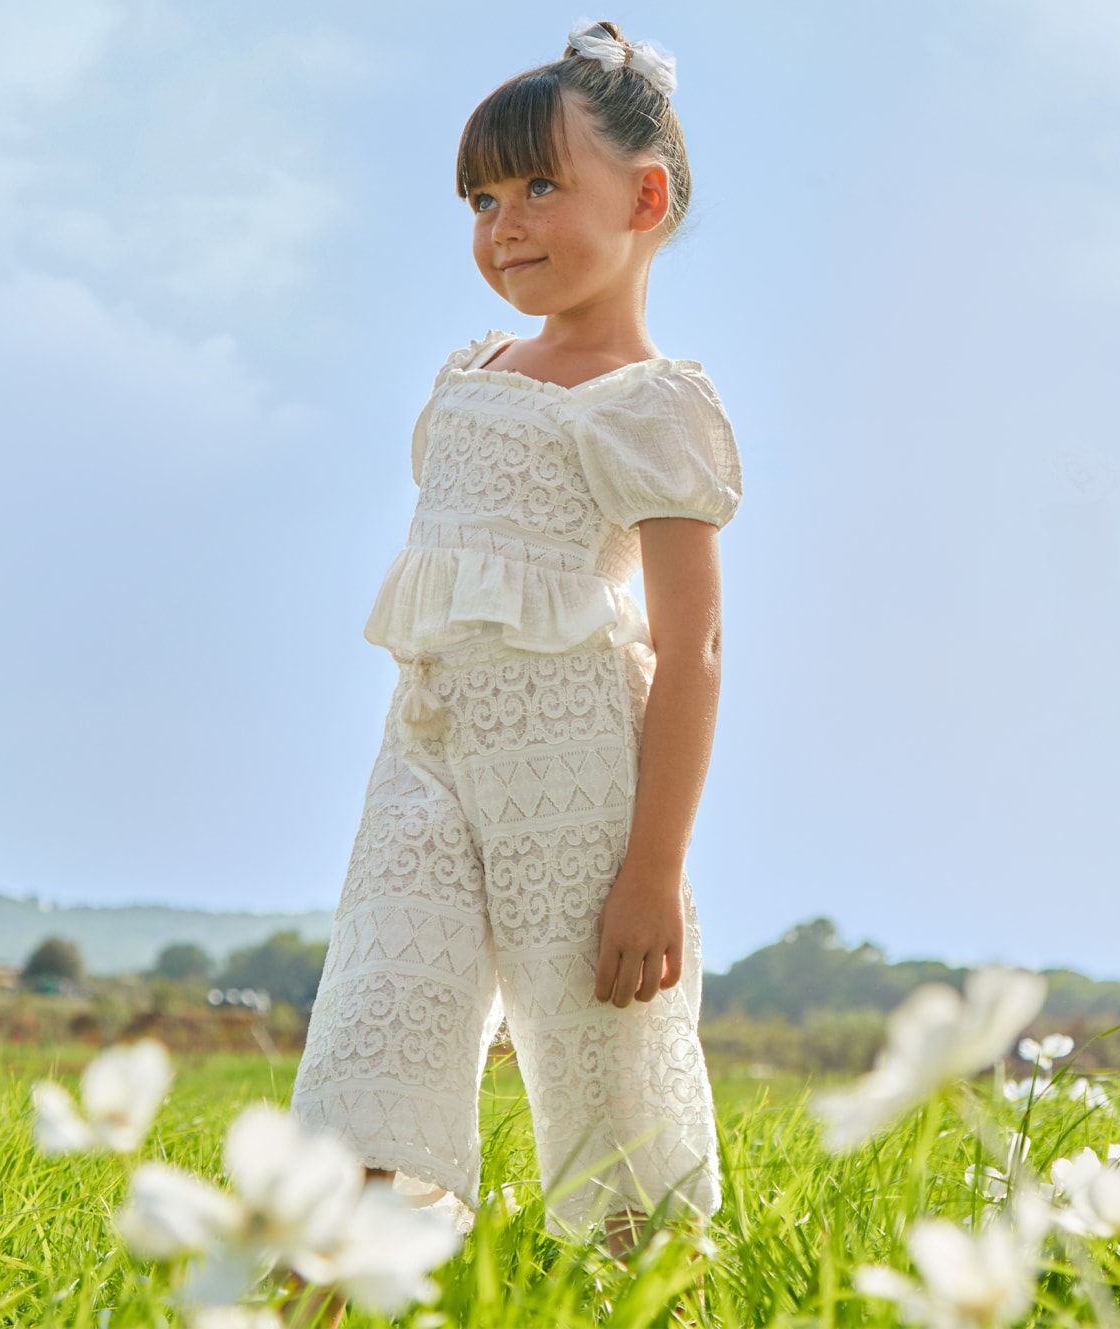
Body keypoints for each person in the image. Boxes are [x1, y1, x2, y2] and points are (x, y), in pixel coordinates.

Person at [285, 19, 738, 1316]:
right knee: (381, 1012)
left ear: (644, 199)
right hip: (423, 749)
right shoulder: (470, 374)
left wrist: (651, 871)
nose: (505, 223)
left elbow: (694, 647)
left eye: (542, 186)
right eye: (484, 198)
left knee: (603, 1062)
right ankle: (328, 1285)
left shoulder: (654, 403)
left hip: (575, 775)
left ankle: (648, 1294)